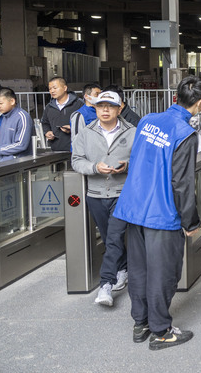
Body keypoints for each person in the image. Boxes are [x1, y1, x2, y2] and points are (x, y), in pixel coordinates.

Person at [113, 76, 201, 349]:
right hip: (162, 212)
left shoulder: (147, 121)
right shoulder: (185, 133)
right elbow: (181, 183)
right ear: (199, 104)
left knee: (139, 269)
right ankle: (161, 331)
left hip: (135, 208)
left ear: (177, 97)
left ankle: (140, 323)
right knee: (163, 273)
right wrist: (190, 221)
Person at [71, 91, 135, 307]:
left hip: (122, 193)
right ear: (95, 109)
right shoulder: (85, 133)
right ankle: (123, 269)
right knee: (110, 237)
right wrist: (94, 167)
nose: (105, 110)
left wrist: (127, 166)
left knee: (115, 236)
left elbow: (142, 160)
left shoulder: (133, 132)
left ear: (119, 108)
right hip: (96, 194)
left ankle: (105, 285)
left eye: (110, 106)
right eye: (100, 106)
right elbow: (76, 160)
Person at [41, 76, 84, 151]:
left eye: (55, 88)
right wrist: (47, 132)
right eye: (50, 89)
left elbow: (88, 123)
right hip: (56, 148)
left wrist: (73, 128)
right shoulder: (49, 107)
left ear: (65, 88)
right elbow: (45, 123)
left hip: (76, 149)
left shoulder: (79, 104)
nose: (52, 91)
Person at [0, 88, 32, 162]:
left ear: (12, 101)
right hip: (3, 161)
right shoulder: (4, 117)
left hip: (17, 163)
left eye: (0, 103)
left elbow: (21, 144)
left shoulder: (22, 117)